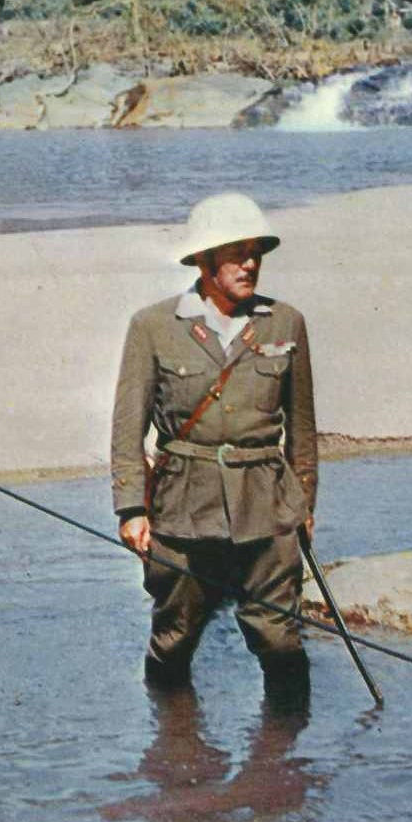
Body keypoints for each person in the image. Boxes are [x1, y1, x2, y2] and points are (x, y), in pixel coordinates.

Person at [110, 192, 318, 704]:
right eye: (236, 252)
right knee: (175, 634)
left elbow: (304, 430)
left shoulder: (284, 323)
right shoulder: (154, 326)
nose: (250, 263)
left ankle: (287, 768)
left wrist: (303, 509)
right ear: (204, 260)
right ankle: (172, 755)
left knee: (278, 636)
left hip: (266, 506)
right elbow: (127, 427)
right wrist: (132, 509)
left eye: (256, 252)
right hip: (183, 506)